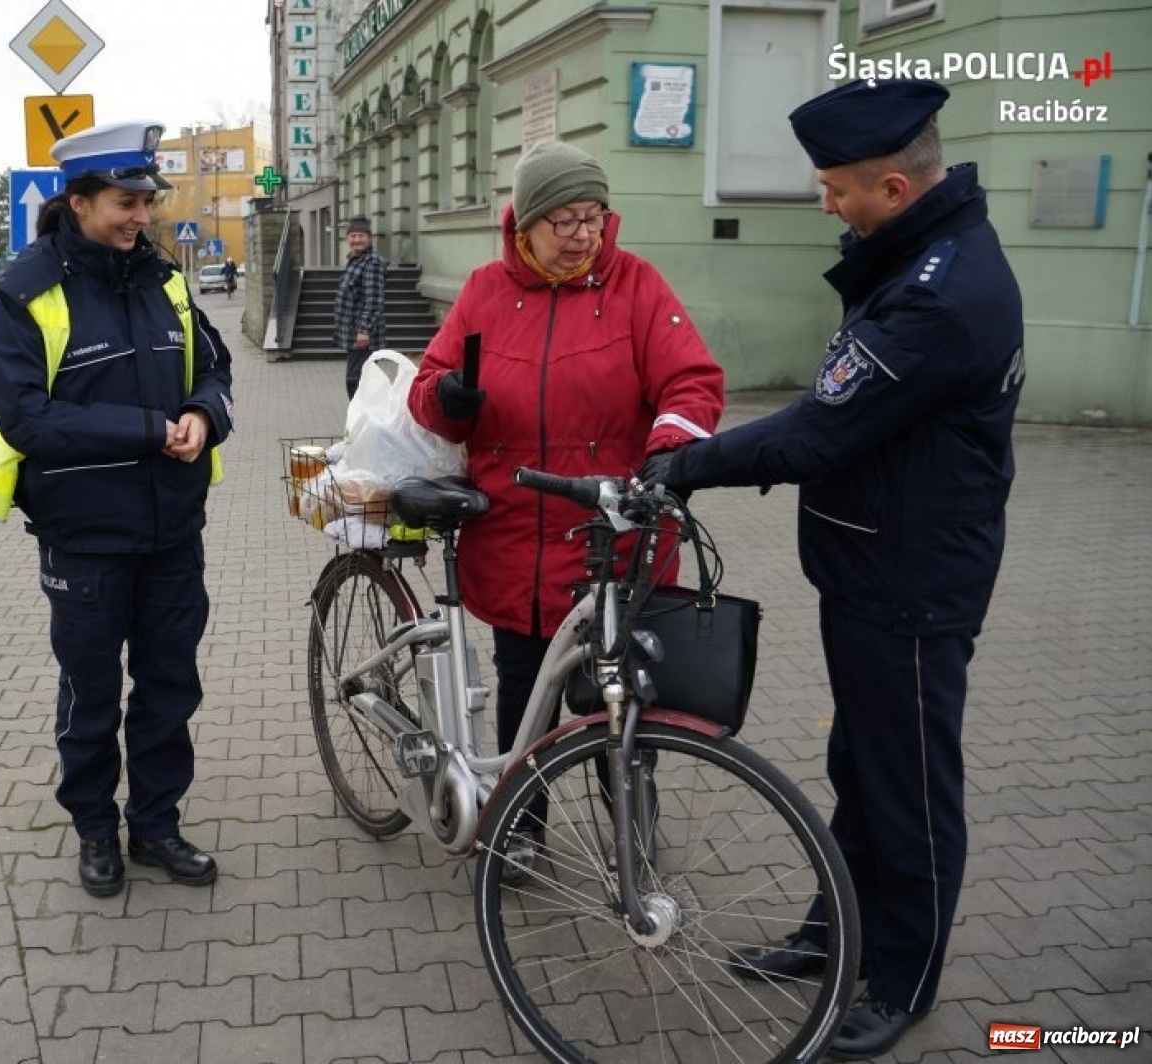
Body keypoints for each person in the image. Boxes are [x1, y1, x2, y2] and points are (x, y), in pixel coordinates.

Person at [642, 79, 1024, 1059]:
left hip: (909, 582)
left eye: (834, 190)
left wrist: (685, 465)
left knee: (908, 787)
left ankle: (903, 975)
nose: (825, 205)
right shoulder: (919, 260)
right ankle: (837, 930)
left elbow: (819, 429)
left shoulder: (939, 296)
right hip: (876, 567)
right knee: (861, 763)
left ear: (892, 187)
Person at [408, 139, 725, 833]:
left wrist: (669, 453)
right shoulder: (485, 293)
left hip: (615, 537)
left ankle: (629, 828)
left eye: (596, 217)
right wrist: (450, 399)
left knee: (622, 699)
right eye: (567, 221)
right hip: (516, 538)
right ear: (526, 223)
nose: (585, 235)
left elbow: (692, 383)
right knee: (528, 697)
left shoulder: (636, 285)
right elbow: (428, 391)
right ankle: (520, 830)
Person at [0, 119, 236, 899]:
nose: (141, 217)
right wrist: (150, 429)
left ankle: (155, 824)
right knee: (90, 692)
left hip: (171, 532)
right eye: (127, 202)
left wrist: (202, 414)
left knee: (168, 687)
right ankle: (95, 829)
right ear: (81, 201)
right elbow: (25, 420)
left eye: (146, 202)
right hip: (84, 536)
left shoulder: (162, 277)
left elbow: (217, 366)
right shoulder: (28, 290)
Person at [334, 216, 387, 398]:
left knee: (355, 381)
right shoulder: (354, 260)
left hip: (363, 335)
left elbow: (374, 300)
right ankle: (363, 420)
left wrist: (365, 330)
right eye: (353, 236)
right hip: (353, 333)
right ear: (347, 238)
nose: (356, 240)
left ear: (369, 238)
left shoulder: (372, 262)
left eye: (361, 236)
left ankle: (359, 421)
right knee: (360, 380)